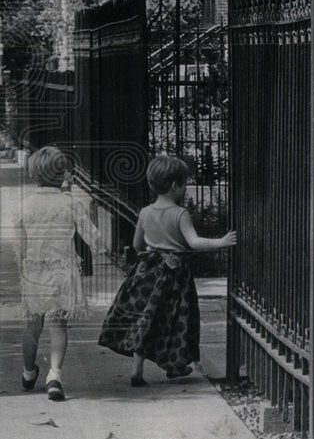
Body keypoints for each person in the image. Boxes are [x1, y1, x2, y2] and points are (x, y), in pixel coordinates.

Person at [98, 155, 236, 386]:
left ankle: (137, 369)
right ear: (175, 186)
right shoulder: (180, 214)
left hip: (148, 272)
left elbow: (137, 246)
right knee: (176, 318)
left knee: (146, 318)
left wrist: (153, 246)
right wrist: (220, 242)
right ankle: (175, 364)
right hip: (174, 275)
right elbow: (194, 242)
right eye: (184, 183)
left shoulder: (145, 213)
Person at [18, 146, 104, 401]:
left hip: (34, 270)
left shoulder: (27, 204)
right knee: (58, 326)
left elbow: (21, 242)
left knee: (32, 326)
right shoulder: (69, 202)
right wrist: (101, 248)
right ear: (62, 174)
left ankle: (28, 370)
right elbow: (91, 235)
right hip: (62, 271)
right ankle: (54, 374)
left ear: (34, 174)